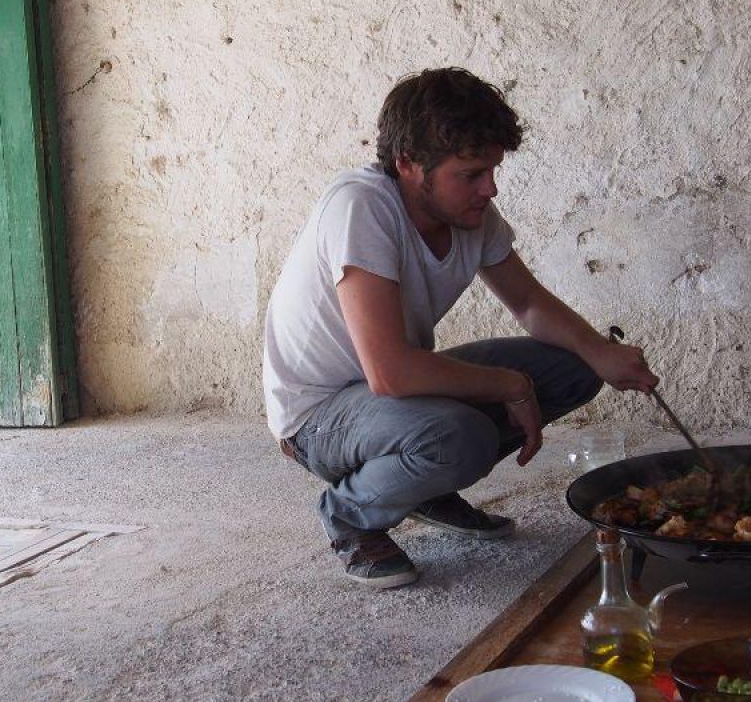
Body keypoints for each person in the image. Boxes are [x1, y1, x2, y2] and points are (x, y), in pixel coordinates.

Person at [262, 67, 661, 588]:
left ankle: (421, 486)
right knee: (459, 437)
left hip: (386, 395)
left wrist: (601, 353)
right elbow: (390, 373)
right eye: (471, 174)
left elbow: (529, 303)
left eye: (493, 169)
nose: (489, 188)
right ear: (408, 165)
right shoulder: (360, 207)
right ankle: (350, 515)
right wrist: (509, 385)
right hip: (318, 417)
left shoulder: (471, 218)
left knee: (573, 369)